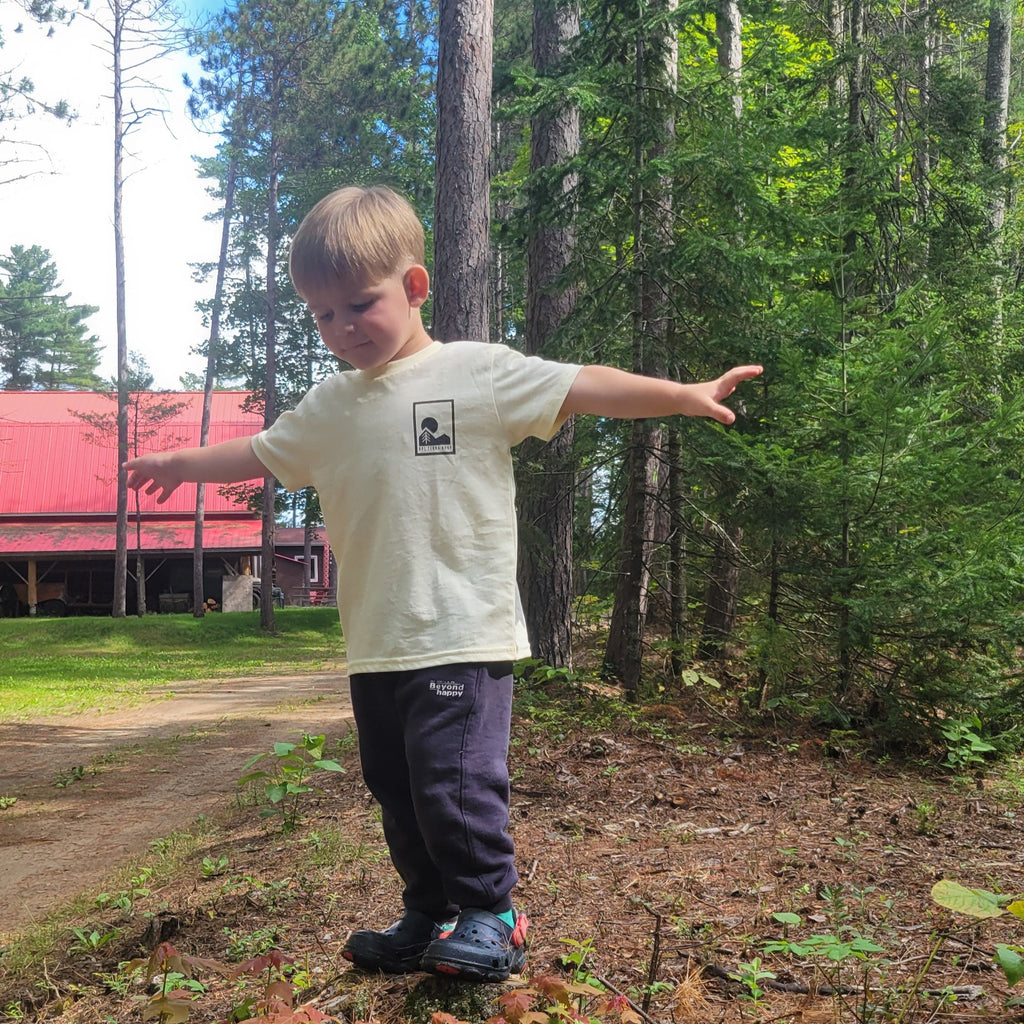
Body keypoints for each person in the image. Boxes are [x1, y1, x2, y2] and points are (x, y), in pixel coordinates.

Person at [125, 185, 761, 984]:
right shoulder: (327, 408)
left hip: (462, 629)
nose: (342, 328)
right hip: (378, 640)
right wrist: (176, 466)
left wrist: (685, 397)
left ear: (415, 286)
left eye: (359, 305)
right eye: (323, 316)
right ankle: (428, 914)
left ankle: (494, 914)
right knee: (397, 789)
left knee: (453, 785)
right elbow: (256, 453)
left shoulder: (476, 374)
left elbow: (583, 384)